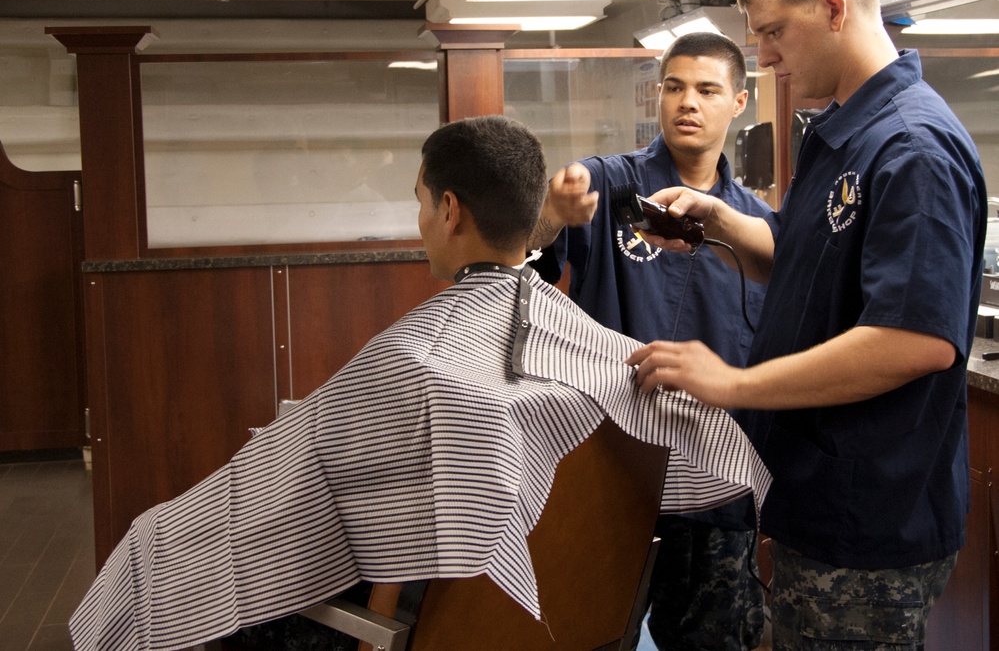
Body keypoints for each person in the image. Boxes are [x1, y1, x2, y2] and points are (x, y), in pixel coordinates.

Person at [69, 115, 771, 651]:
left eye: (419, 201)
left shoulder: (422, 361)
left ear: (450, 210)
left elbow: (301, 491)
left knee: (160, 556)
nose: (420, 219)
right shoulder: (613, 367)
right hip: (565, 627)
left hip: (432, 625)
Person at [626, 0, 986, 650]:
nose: (763, 56)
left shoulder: (911, 148)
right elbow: (802, 262)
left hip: (868, 516)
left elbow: (913, 341)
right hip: (815, 497)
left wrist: (729, 384)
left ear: (831, 7)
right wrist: (723, 224)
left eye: (771, 32)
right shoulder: (841, 134)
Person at [529, 32, 771, 651]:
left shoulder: (754, 229)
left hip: (710, 476)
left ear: (739, 102)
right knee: (588, 633)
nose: (687, 102)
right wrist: (556, 211)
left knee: (711, 638)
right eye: (675, 86)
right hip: (609, 468)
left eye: (707, 90)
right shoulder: (612, 185)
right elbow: (529, 250)